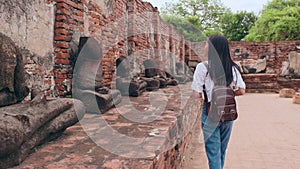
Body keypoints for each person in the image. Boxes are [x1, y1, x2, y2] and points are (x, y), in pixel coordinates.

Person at [191, 34, 246, 169]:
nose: (205, 47)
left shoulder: (203, 67)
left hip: (210, 111)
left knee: (213, 152)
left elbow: (196, 93)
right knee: (221, 150)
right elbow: (242, 90)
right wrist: (226, 94)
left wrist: (209, 95)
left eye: (206, 44)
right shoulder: (232, 67)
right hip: (228, 112)